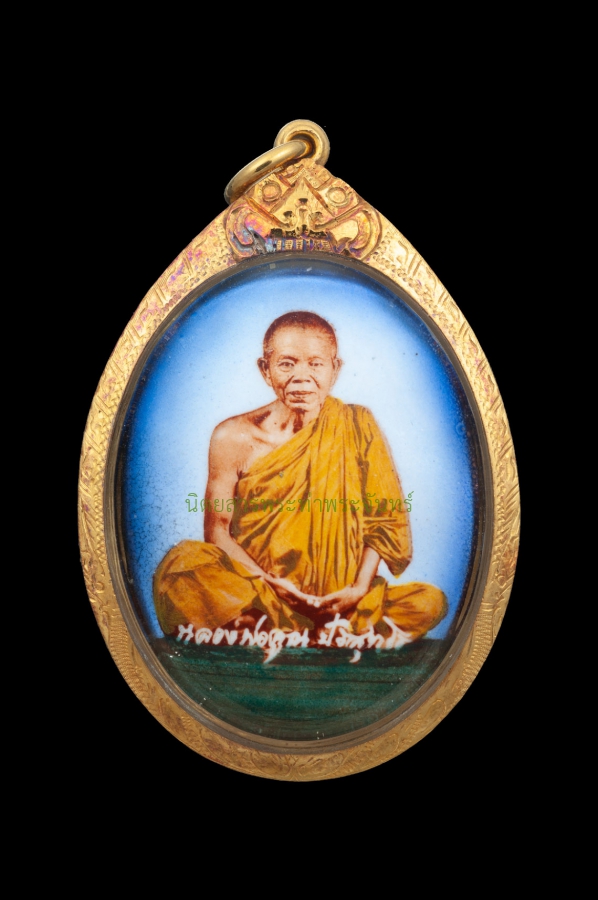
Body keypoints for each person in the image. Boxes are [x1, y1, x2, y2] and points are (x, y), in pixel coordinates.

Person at [154, 312, 447, 646]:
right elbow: (217, 530)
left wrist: (357, 589)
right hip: (262, 592)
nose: (301, 378)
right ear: (265, 369)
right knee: (182, 567)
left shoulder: (358, 425)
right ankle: (294, 628)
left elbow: (384, 518)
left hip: (344, 601)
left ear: (335, 369)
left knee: (429, 602)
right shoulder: (232, 437)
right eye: (287, 364)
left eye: (316, 365)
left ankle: (297, 629)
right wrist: (273, 585)